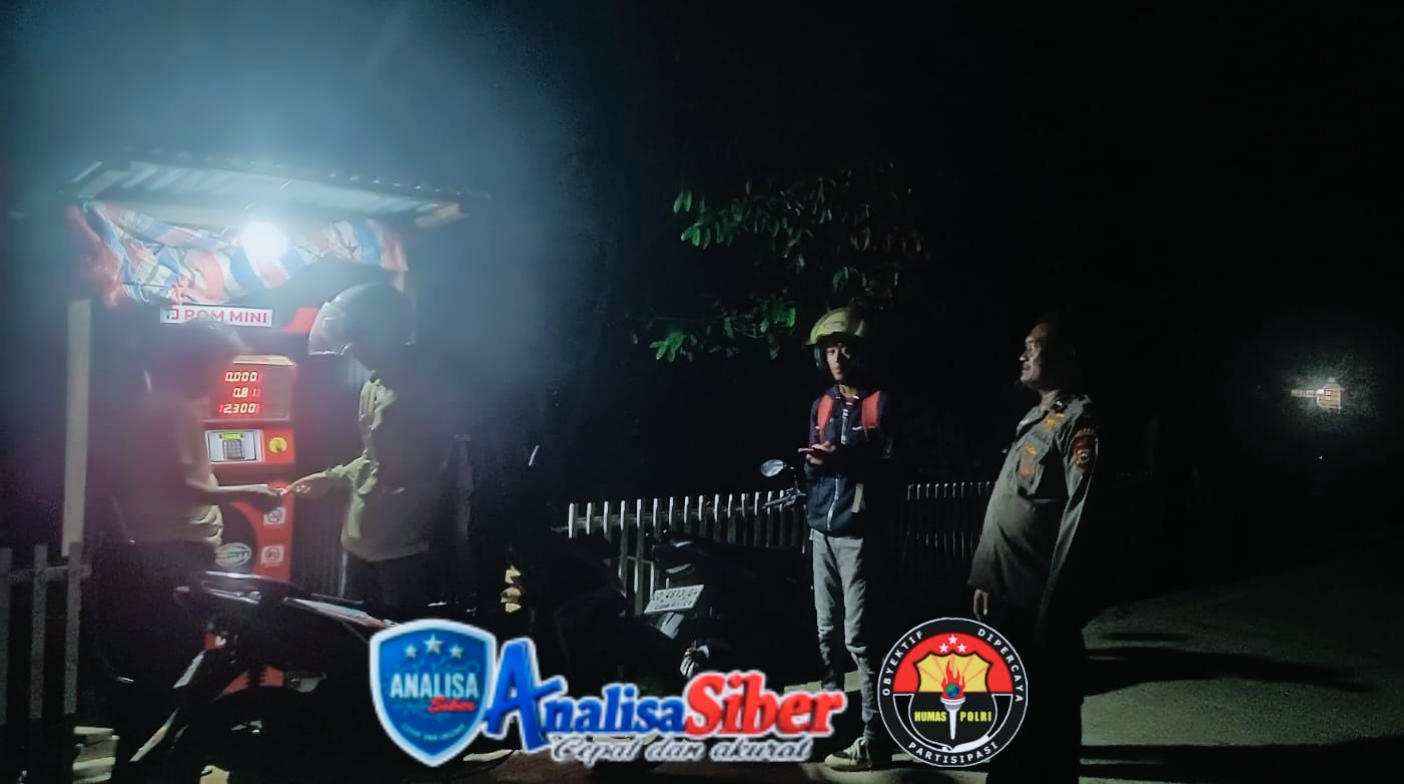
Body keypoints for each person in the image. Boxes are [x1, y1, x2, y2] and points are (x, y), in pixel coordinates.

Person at [103, 317, 282, 781]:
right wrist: (251, 492)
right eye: (221, 366)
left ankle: (140, 765)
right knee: (175, 671)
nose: (222, 377)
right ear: (197, 362)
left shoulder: (147, 404)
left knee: (153, 671)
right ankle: (165, 769)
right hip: (178, 553)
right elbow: (182, 486)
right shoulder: (176, 410)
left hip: (151, 552)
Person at [968, 315, 1105, 784]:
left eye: (1034, 346)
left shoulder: (1079, 422)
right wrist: (989, 577)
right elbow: (1016, 501)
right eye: (1024, 345)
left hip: (1039, 603)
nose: (1023, 354)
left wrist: (1057, 605)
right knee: (1012, 710)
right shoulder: (1037, 418)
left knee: (1047, 720)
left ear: (1065, 357)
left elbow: (1080, 519)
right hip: (1008, 596)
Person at [286, 282, 466, 609]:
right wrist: (332, 477)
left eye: (356, 341)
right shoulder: (374, 384)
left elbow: (407, 467)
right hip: (362, 536)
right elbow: (374, 458)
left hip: (404, 545)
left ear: (381, 336)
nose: (351, 351)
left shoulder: (421, 391)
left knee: (397, 630)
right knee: (353, 626)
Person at [801, 306, 901, 772]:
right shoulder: (822, 404)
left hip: (859, 536)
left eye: (844, 349)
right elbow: (812, 467)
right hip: (821, 530)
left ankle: (874, 738)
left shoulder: (881, 404)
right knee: (826, 635)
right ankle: (832, 727)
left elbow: (897, 471)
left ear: (862, 353)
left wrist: (846, 460)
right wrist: (814, 464)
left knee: (860, 639)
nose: (836, 358)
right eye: (828, 350)